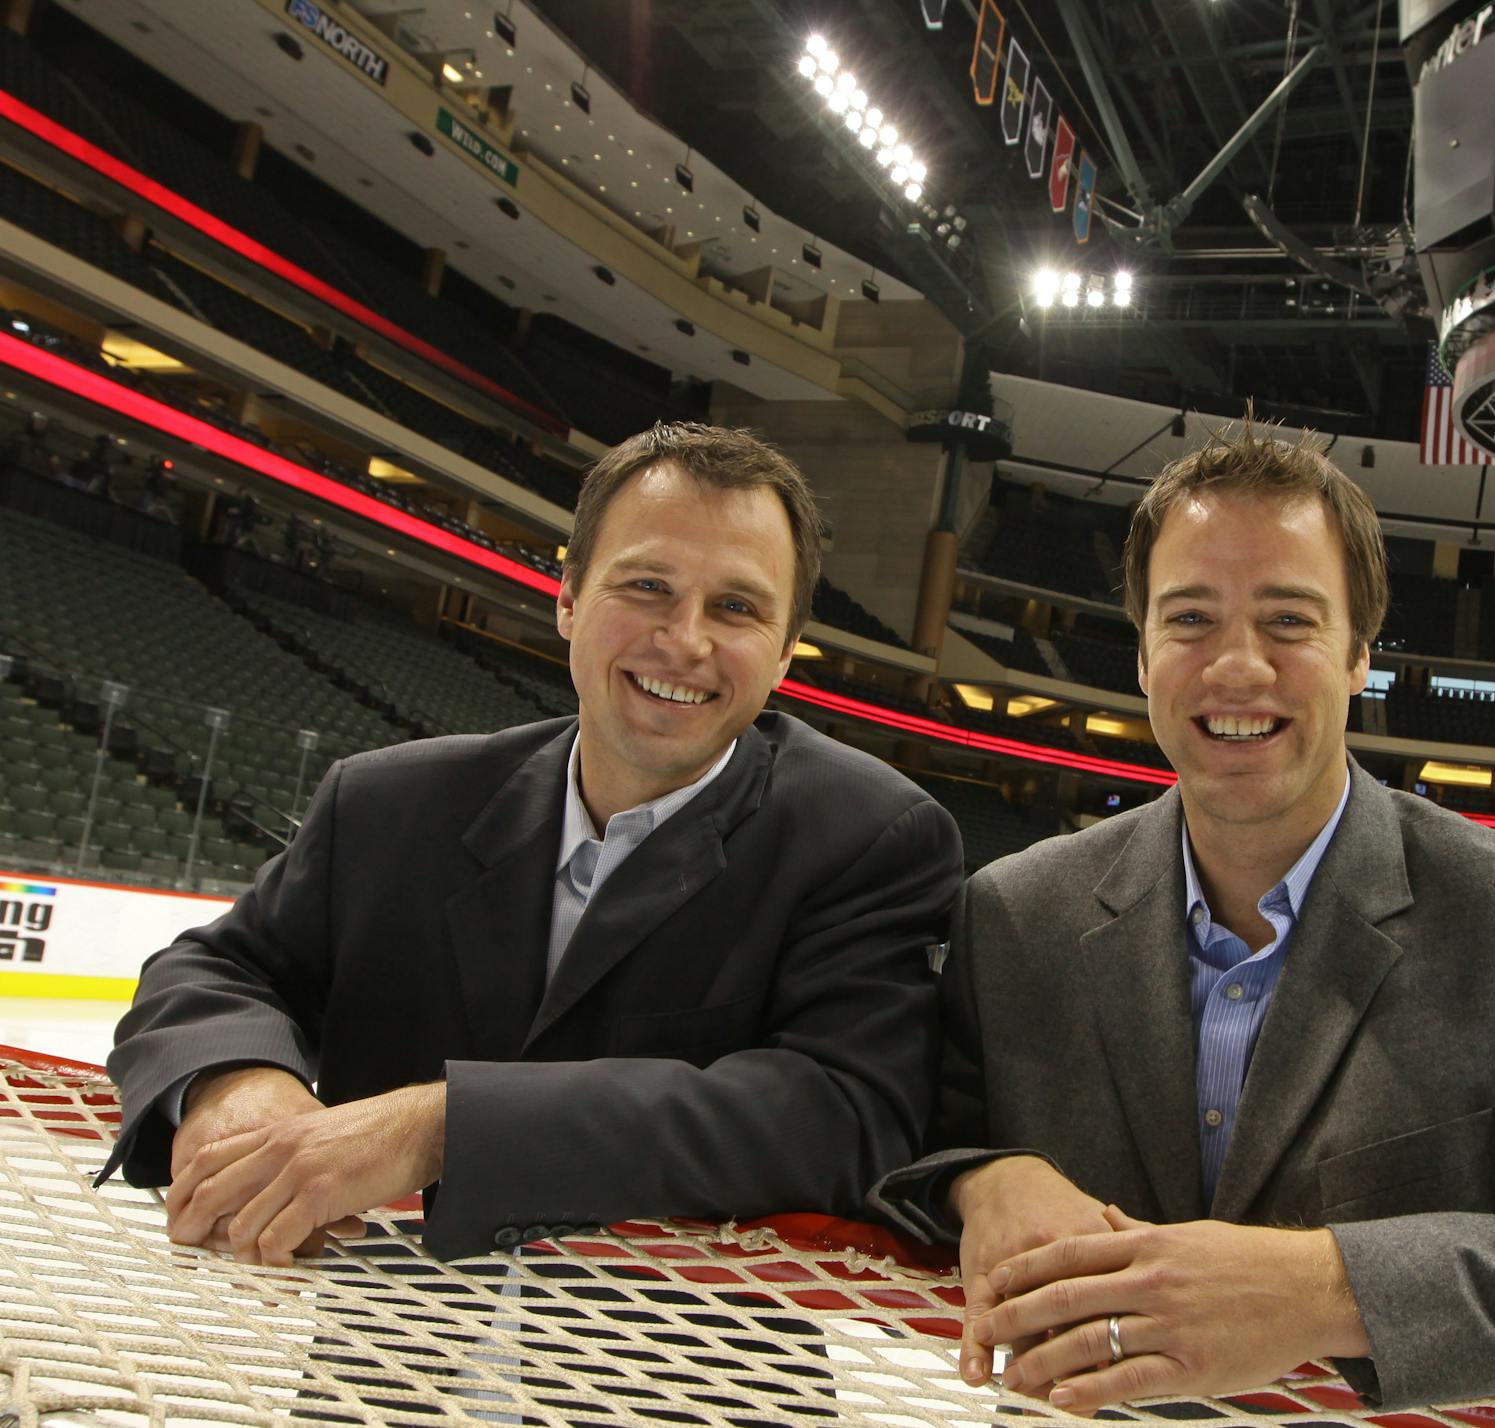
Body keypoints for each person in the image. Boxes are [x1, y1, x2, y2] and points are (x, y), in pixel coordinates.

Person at [873, 422, 1495, 1414]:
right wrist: (982, 1176)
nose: (1237, 665)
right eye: (1190, 620)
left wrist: (1326, 1288)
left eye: (1290, 621)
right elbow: (908, 1141)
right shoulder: (1015, 913)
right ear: (1141, 655)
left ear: (1358, 657)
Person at [103, 422, 964, 1264]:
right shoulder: (386, 801)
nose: (684, 639)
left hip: (683, 1400)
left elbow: (845, 1114)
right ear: (567, 597)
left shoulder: (871, 834)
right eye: (646, 586)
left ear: (784, 654)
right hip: (377, 1382)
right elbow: (215, 971)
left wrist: (439, 1128)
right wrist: (234, 1084)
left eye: (735, 607)